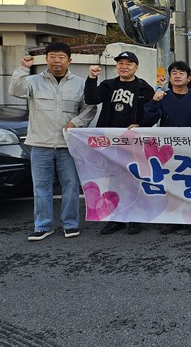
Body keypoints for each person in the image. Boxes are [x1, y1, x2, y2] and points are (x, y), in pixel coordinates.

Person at [11, 43, 97, 241]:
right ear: (46, 59)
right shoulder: (32, 81)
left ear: (69, 60)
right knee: (41, 187)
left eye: (61, 57)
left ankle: (70, 224)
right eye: (52, 56)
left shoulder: (79, 83)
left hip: (68, 146)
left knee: (71, 186)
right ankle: (43, 226)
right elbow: (16, 90)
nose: (56, 61)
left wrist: (75, 122)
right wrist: (23, 68)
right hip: (40, 144)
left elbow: (90, 108)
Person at [85, 50, 155, 235]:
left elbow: (152, 114)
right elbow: (91, 99)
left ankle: (135, 218)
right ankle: (115, 218)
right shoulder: (108, 85)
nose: (124, 67)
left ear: (136, 67)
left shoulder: (145, 89)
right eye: (121, 63)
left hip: (132, 143)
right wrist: (91, 78)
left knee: (133, 180)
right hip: (109, 143)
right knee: (112, 181)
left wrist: (141, 125)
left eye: (129, 63)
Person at [143, 61, 191, 235]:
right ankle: (172, 219)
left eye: (181, 73)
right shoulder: (162, 97)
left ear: (189, 78)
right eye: (174, 73)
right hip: (168, 150)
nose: (177, 76)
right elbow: (149, 120)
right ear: (169, 78)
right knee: (171, 184)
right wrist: (154, 101)